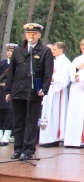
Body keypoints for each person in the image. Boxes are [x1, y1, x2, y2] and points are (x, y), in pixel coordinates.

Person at [5, 23, 53, 160]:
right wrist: (8, 90)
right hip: (18, 90)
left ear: (39, 35)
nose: (31, 36)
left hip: (34, 92)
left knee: (31, 121)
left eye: (34, 34)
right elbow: (11, 72)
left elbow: (47, 72)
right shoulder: (18, 50)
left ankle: (29, 149)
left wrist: (44, 89)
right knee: (18, 121)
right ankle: (18, 148)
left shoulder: (44, 51)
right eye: (28, 34)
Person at [39, 42, 71, 147]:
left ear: (60, 50)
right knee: (46, 114)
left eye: (54, 49)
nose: (51, 51)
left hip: (57, 91)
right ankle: (45, 137)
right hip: (48, 89)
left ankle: (54, 138)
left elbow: (66, 78)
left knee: (56, 114)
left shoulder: (66, 62)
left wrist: (54, 79)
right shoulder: (50, 60)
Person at [0, 44, 16, 146]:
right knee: (1, 112)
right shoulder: (2, 63)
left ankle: (7, 135)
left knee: (10, 113)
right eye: (8, 51)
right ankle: (0, 134)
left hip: (11, 90)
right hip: (1, 90)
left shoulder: (17, 64)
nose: (9, 53)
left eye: (11, 51)